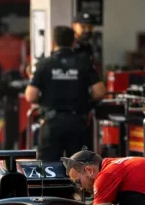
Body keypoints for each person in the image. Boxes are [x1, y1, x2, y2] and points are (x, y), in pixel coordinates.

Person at [25, 25, 106, 161]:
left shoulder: (44, 64)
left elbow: (30, 95)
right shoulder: (83, 62)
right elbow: (99, 91)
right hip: (77, 123)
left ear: (53, 43)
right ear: (73, 42)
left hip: (51, 123)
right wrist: (86, 99)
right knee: (80, 168)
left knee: (47, 169)